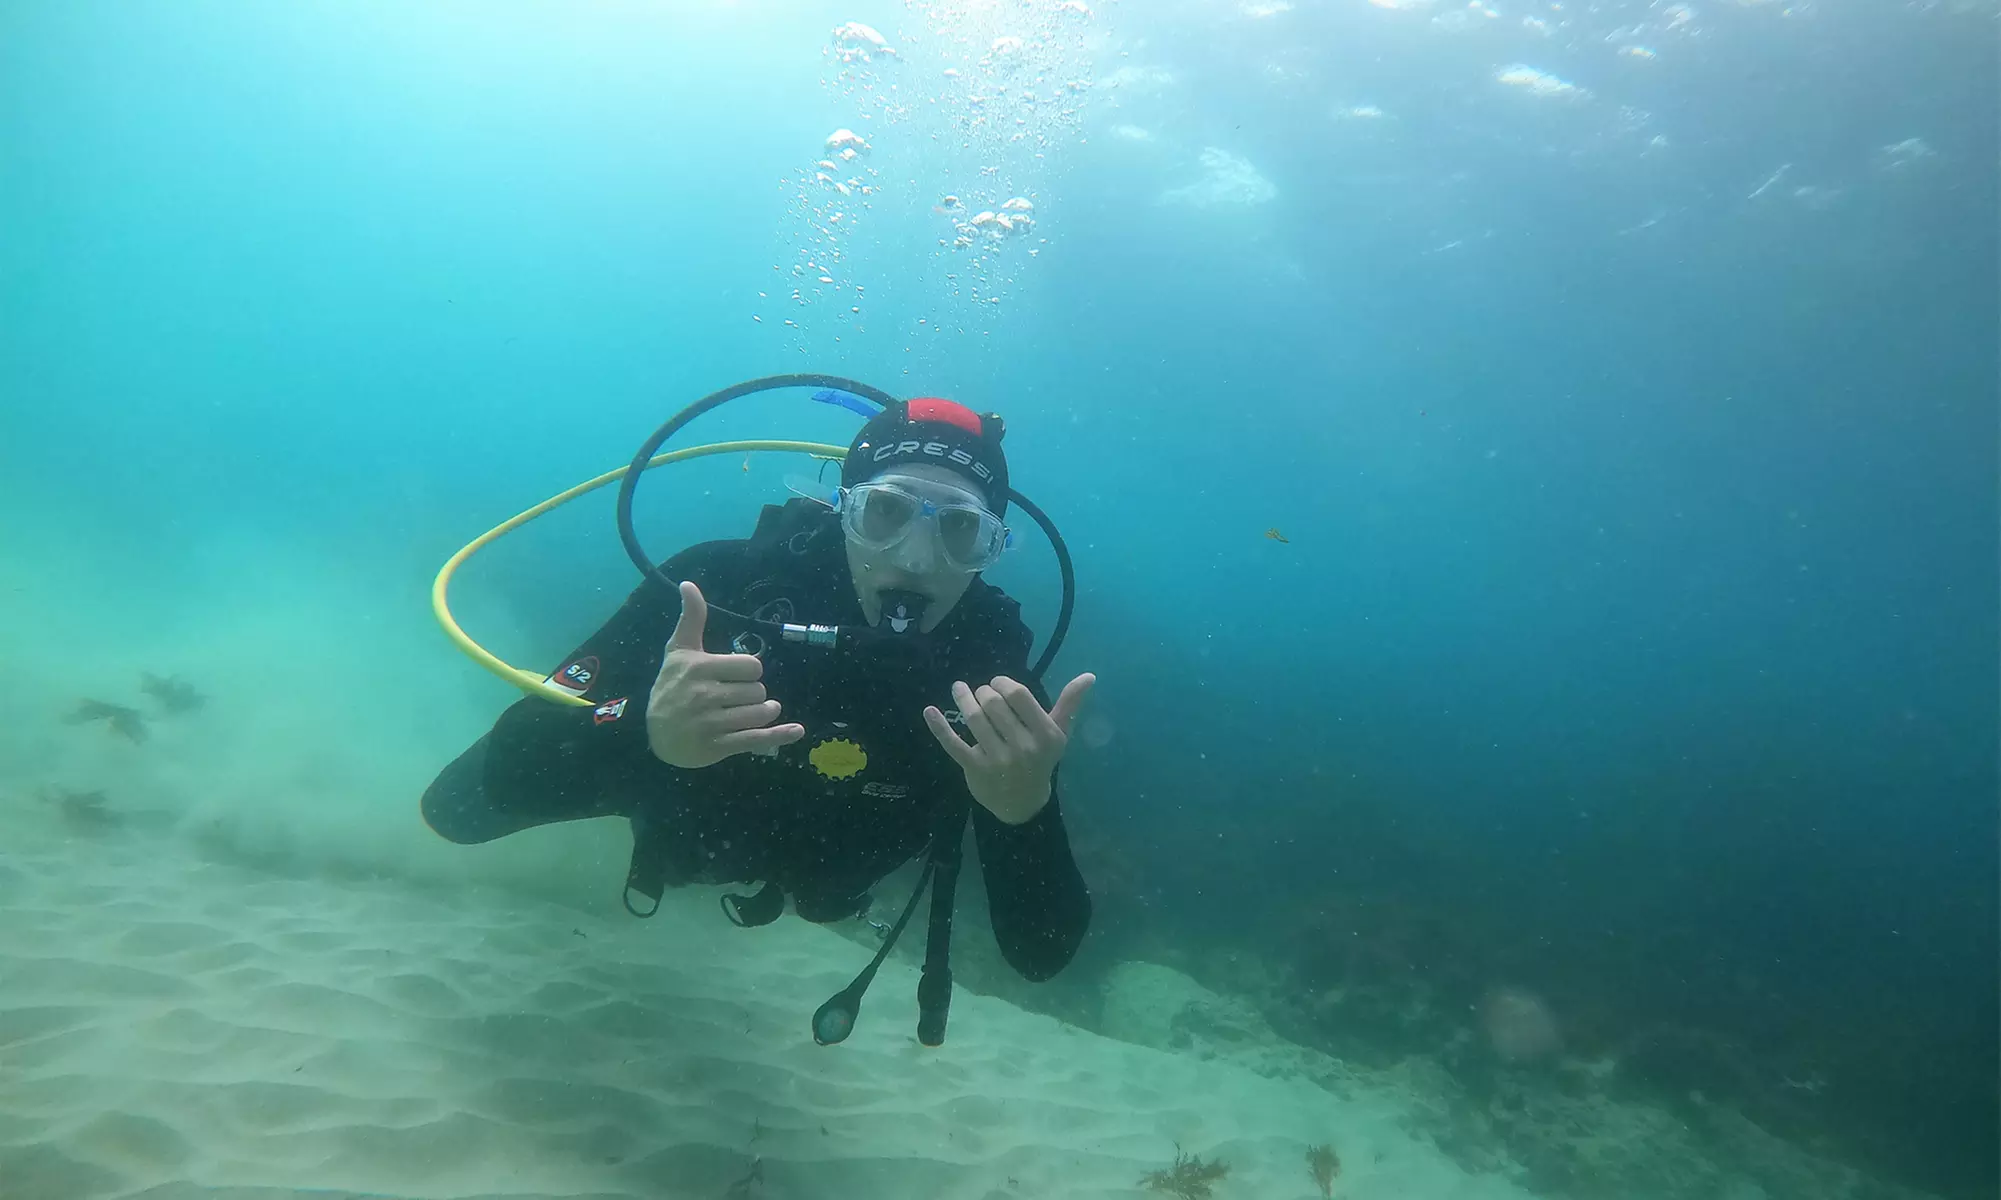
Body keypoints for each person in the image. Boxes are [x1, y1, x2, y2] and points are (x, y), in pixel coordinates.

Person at [421, 395, 1094, 997]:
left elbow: (1040, 954)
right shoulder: (716, 590)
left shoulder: (989, 674)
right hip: (679, 832)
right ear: (842, 510)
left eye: (959, 530)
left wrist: (1023, 813)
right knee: (458, 816)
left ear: (991, 546)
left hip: (827, 879)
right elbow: (468, 797)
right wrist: (646, 734)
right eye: (884, 514)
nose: (915, 560)